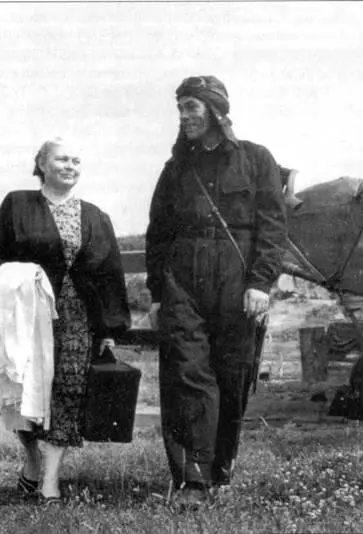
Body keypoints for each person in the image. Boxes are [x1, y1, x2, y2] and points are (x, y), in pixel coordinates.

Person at [145, 75, 287, 506]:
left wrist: (261, 283)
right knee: (186, 374)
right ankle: (192, 480)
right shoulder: (176, 168)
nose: (185, 116)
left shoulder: (256, 159)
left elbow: (274, 225)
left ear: (215, 110)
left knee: (232, 376)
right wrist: (156, 293)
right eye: (181, 108)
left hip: (237, 274)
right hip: (182, 277)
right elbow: (158, 233)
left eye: (192, 107)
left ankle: (219, 471)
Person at [0, 137, 131, 503]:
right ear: (41, 164)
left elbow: (110, 273)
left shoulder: (94, 216)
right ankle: (30, 461)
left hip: (77, 315)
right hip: (28, 314)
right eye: (61, 159)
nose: (70, 166)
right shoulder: (16, 205)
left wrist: (108, 329)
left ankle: (51, 481)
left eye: (76, 160)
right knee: (24, 389)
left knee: (69, 390)